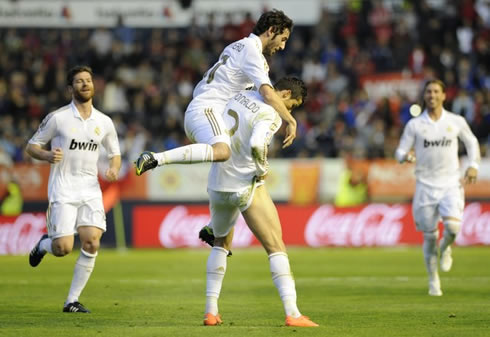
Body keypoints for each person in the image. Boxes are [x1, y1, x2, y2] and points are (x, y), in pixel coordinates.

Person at [200, 77, 318, 327]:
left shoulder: (241, 94)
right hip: (245, 183)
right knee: (276, 245)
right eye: (292, 105)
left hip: (218, 181)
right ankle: (293, 313)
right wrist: (262, 168)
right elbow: (256, 144)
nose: (289, 112)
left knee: (221, 242)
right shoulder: (271, 113)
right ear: (285, 94)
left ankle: (211, 311)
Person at [134, 9, 297, 175]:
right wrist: (290, 121)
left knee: (230, 160)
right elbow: (267, 94)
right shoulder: (252, 52)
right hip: (207, 109)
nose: (283, 46)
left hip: (209, 112)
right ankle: (155, 158)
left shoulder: (238, 45)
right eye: (283, 39)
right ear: (271, 31)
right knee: (223, 152)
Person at [26, 65, 121, 313]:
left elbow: (115, 154)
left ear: (94, 85)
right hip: (63, 189)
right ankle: (44, 245)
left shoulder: (105, 122)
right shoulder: (58, 118)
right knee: (63, 248)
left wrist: (113, 168)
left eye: (88, 80)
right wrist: (47, 155)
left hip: (90, 189)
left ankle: (71, 301)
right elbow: (31, 146)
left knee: (91, 242)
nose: (85, 84)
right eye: (79, 81)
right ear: (71, 88)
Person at [395, 79, 480, 296]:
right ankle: (433, 281)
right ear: (424, 96)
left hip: (451, 183)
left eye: (436, 92)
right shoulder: (415, 125)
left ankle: (447, 247)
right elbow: (399, 151)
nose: (432, 95)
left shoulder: (455, 121)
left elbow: (471, 142)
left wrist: (473, 166)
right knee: (429, 237)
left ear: (443, 95)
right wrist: (406, 156)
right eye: (428, 92)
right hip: (425, 186)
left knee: (452, 228)